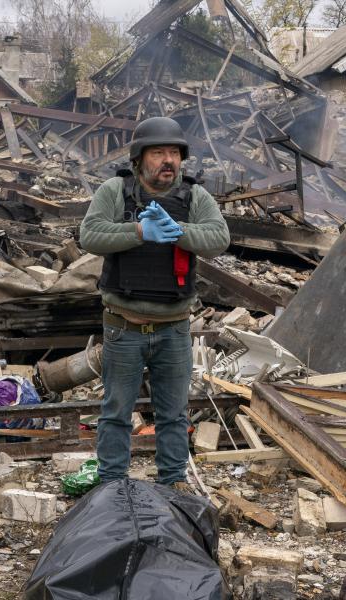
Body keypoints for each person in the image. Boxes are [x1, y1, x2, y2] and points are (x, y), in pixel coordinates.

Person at [78, 116, 230, 493]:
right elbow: (90, 235)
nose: (168, 161)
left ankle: (173, 484)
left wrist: (180, 232)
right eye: (159, 152)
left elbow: (219, 238)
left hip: (173, 329)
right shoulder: (116, 191)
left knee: (173, 414)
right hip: (123, 328)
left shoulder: (194, 197)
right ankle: (112, 487)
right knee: (116, 413)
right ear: (140, 158)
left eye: (174, 153)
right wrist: (138, 231)